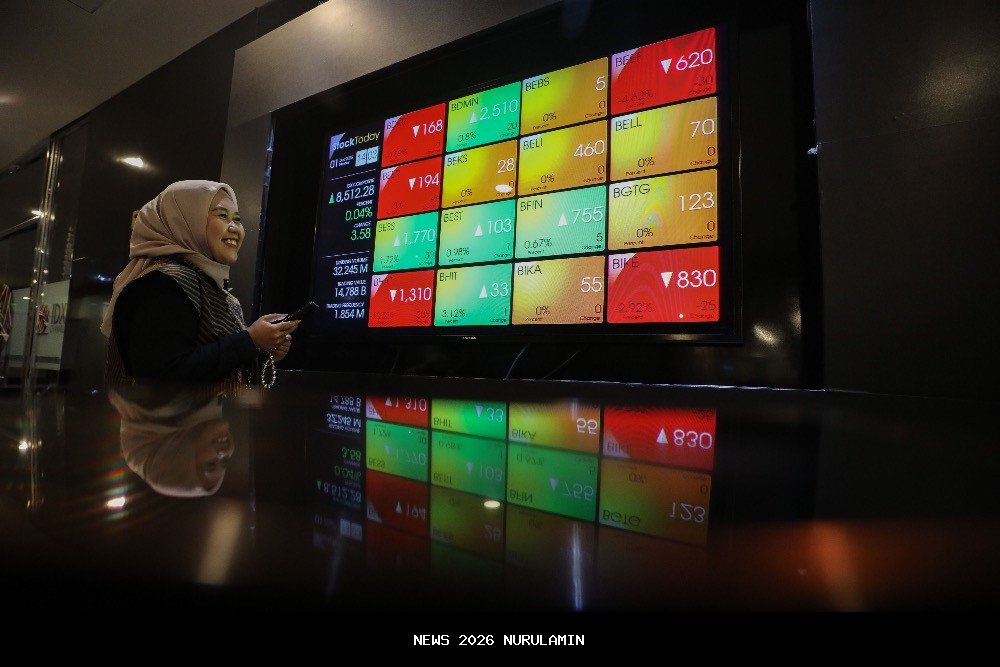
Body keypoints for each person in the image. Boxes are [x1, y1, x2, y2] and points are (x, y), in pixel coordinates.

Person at [101, 180, 298, 387]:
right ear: (183, 220)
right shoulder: (162, 284)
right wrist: (250, 340)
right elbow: (162, 376)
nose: (234, 228)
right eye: (222, 215)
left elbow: (209, 363)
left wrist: (261, 349)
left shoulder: (208, 286)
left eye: (237, 219)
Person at [108, 382, 237, 498]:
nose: (224, 452)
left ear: (175, 452)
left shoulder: (154, 392)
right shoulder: (204, 397)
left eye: (210, 464)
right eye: (225, 461)